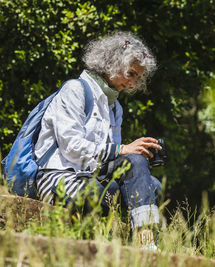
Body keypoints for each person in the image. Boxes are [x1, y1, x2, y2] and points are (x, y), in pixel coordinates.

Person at [34, 31, 162, 250]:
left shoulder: (115, 107)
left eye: (137, 78)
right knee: (105, 192)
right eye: (130, 74)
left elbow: (110, 158)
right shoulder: (75, 90)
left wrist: (134, 157)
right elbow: (72, 148)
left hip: (92, 177)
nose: (132, 84)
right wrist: (123, 150)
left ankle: (146, 243)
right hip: (58, 177)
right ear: (111, 63)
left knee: (151, 184)